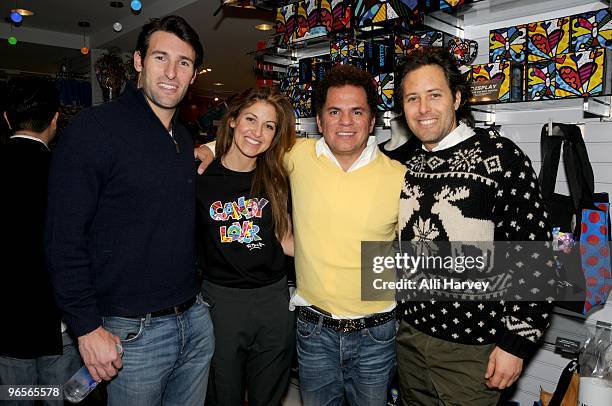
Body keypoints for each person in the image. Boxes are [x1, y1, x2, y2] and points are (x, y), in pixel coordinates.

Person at [196, 64, 406, 405]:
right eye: (334, 112)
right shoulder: (298, 156)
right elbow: (253, 138)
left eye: (357, 112)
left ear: (372, 121)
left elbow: (417, 256)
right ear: (320, 121)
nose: (346, 122)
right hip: (314, 329)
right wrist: (208, 147)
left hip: (376, 332)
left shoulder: (399, 176)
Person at [46, 15, 214, 405]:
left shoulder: (182, 137)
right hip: (131, 334)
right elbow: (63, 239)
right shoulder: (95, 129)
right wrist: (86, 328)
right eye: (160, 58)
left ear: (193, 75)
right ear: (139, 62)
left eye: (184, 63)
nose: (171, 72)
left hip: (194, 320)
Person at [395, 47, 553, 405]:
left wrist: (516, 344)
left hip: (473, 353)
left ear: (458, 98)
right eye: (412, 98)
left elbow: (537, 257)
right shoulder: (405, 163)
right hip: (408, 341)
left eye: (434, 95)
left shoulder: (501, 156)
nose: (423, 109)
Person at [196, 87, 296, 406]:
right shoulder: (200, 175)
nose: (257, 132)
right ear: (233, 121)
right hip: (221, 303)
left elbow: (286, 240)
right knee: (222, 396)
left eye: (269, 126)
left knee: (268, 397)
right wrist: (206, 148)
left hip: (273, 303)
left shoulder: (277, 179)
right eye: (251, 120)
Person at [0, 78, 81, 403]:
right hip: (61, 327)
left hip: (7, 330)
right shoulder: (70, 174)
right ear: (55, 119)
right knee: (68, 398)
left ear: (6, 118)